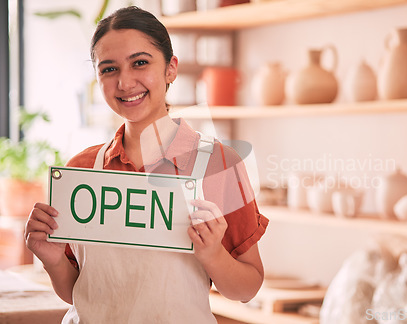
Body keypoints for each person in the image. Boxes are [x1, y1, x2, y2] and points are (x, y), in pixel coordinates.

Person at [24, 6, 268, 323]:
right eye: (108, 69)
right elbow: (79, 292)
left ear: (170, 68)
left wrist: (214, 255)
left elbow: (246, 289)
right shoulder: (81, 170)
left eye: (140, 63)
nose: (125, 82)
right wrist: (53, 261)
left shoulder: (218, 165)